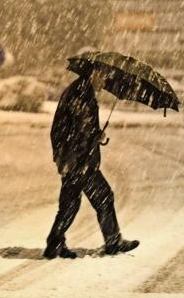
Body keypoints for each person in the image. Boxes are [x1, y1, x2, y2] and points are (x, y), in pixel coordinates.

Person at [44, 68, 139, 259]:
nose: (104, 82)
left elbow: (76, 126)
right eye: (103, 77)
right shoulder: (81, 94)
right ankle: (112, 241)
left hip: (72, 157)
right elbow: (80, 127)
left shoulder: (80, 90)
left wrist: (94, 135)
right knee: (103, 196)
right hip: (79, 159)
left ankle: (54, 244)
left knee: (70, 204)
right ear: (93, 73)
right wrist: (96, 135)